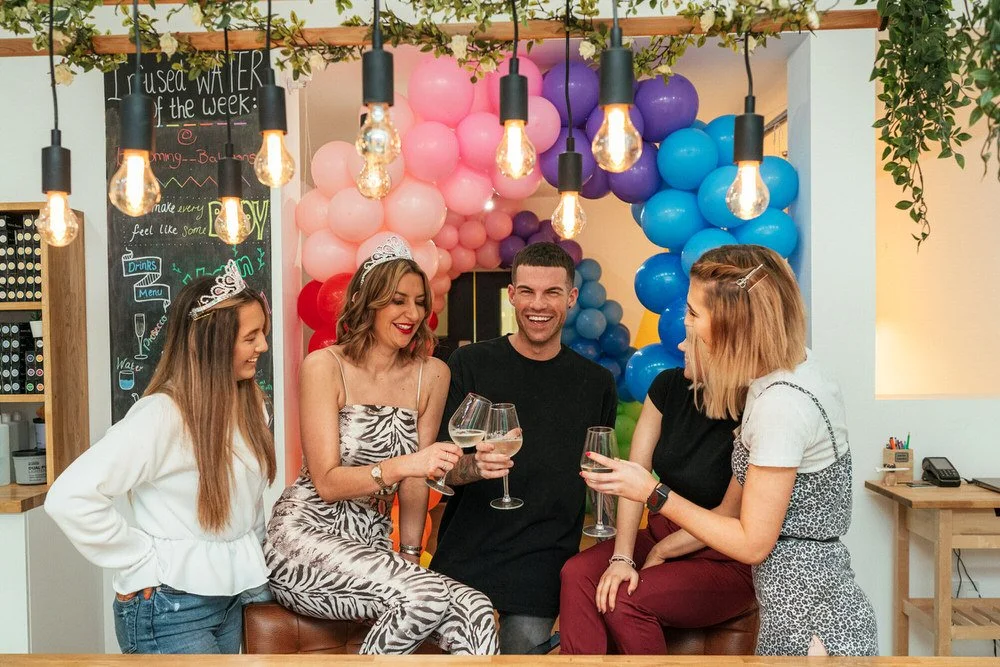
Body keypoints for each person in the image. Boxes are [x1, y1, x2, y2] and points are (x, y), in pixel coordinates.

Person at [582, 244, 878, 656]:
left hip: (811, 623)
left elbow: (752, 543)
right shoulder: (788, 372)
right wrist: (662, 546)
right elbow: (732, 510)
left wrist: (652, 492)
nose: (684, 325)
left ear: (731, 324)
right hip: (792, 607)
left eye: (693, 313)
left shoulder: (781, 405)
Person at [264, 235, 498, 655]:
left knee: (476, 609)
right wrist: (406, 465)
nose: (413, 314)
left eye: (419, 302)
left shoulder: (433, 374)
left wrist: (409, 554)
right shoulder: (324, 366)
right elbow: (327, 484)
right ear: (367, 302)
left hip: (373, 548)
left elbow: (417, 482)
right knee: (425, 595)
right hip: (304, 538)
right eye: (397, 301)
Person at [45, 261, 275, 654]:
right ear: (213, 343)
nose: (263, 347)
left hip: (231, 600)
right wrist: (141, 558)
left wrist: (258, 585)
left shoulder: (251, 406)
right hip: (170, 610)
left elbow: (248, 508)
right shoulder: (161, 416)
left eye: (262, 334)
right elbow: (69, 497)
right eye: (251, 337)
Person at [430, 242, 618, 654]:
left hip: (542, 565)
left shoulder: (596, 383)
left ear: (571, 298)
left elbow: (601, 474)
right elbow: (441, 468)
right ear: (512, 294)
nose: (539, 305)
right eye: (528, 291)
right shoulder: (468, 364)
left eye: (552, 292)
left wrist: (611, 549)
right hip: (465, 557)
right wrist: (473, 466)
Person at [559, 361, 756, 654]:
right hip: (660, 531)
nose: (681, 346)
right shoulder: (667, 386)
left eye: (692, 339)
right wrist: (622, 557)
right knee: (577, 574)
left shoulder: (758, 405)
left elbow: (729, 514)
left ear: (720, 346)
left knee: (625, 600)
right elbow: (634, 476)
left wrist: (661, 551)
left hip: (721, 554)